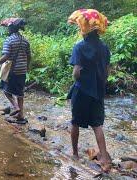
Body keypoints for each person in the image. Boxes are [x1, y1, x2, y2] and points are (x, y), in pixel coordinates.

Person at [67, 9, 111, 172]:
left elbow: (76, 72)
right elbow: (106, 72)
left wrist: (78, 81)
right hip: (98, 91)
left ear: (83, 28)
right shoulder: (104, 47)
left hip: (82, 90)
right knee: (97, 125)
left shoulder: (79, 47)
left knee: (75, 122)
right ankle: (105, 160)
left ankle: (75, 153)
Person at [0, 18, 30, 125]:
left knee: (5, 89)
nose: (7, 30)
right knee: (20, 92)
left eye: (8, 28)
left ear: (11, 28)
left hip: (12, 70)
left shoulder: (9, 40)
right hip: (22, 70)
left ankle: (16, 107)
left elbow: (6, 56)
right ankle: (21, 115)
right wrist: (27, 67)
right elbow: (29, 55)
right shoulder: (25, 40)